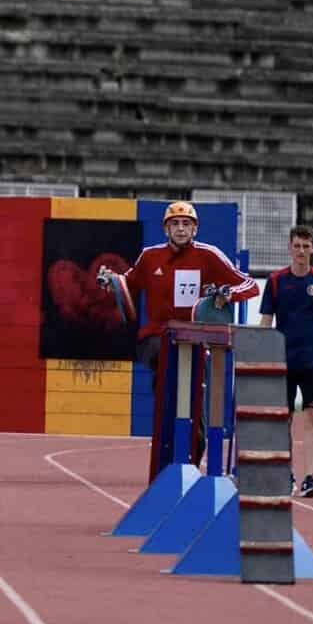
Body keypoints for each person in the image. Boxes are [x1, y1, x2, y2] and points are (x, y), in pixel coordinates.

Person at [97, 201, 260, 481]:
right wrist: (110, 280)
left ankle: (189, 464)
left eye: (186, 224)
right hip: (157, 339)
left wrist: (226, 293)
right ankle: (166, 425)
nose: (181, 228)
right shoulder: (149, 257)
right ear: (166, 229)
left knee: (194, 415)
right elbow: (128, 284)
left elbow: (249, 285)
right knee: (166, 366)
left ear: (195, 228)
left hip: (196, 343)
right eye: (175, 224)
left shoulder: (208, 255)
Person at [258, 224, 313, 498]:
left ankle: (310, 477)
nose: (301, 251)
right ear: (290, 248)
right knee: (283, 419)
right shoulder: (275, 281)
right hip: (282, 361)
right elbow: (265, 323)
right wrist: (261, 359)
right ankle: (286, 474)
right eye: (297, 246)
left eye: (306, 246)